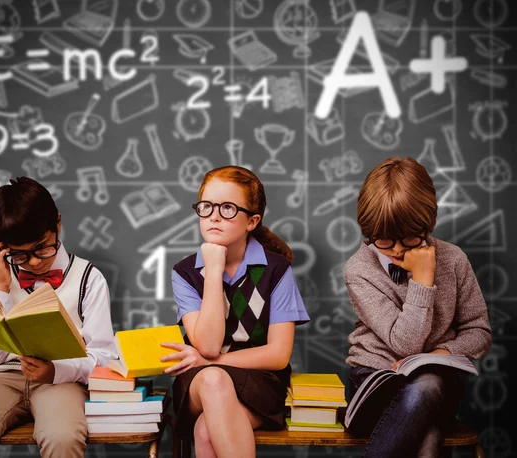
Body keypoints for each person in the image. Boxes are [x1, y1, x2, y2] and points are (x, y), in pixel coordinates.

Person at [0, 177, 117, 458]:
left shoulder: (88, 278)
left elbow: (105, 356)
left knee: (62, 437)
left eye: (42, 247)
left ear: (57, 224)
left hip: (62, 380)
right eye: (20, 256)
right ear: (1, 247)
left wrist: (55, 371)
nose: (35, 262)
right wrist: (0, 290)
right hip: (3, 377)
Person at [344, 157, 491, 458]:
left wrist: (442, 354)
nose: (397, 249)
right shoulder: (359, 268)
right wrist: (422, 280)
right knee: (428, 431)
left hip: (437, 388)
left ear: (427, 223)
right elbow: (405, 343)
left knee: (428, 385)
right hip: (374, 382)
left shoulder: (454, 260)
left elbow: (479, 330)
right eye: (384, 240)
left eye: (409, 237)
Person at [162, 165, 309, 458]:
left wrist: (209, 360)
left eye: (227, 208)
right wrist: (214, 270)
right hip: (199, 382)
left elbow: (278, 355)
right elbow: (208, 343)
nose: (214, 216)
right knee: (215, 379)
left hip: (260, 382)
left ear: (252, 221)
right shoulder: (185, 273)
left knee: (206, 431)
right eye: (206, 207)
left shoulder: (276, 270)